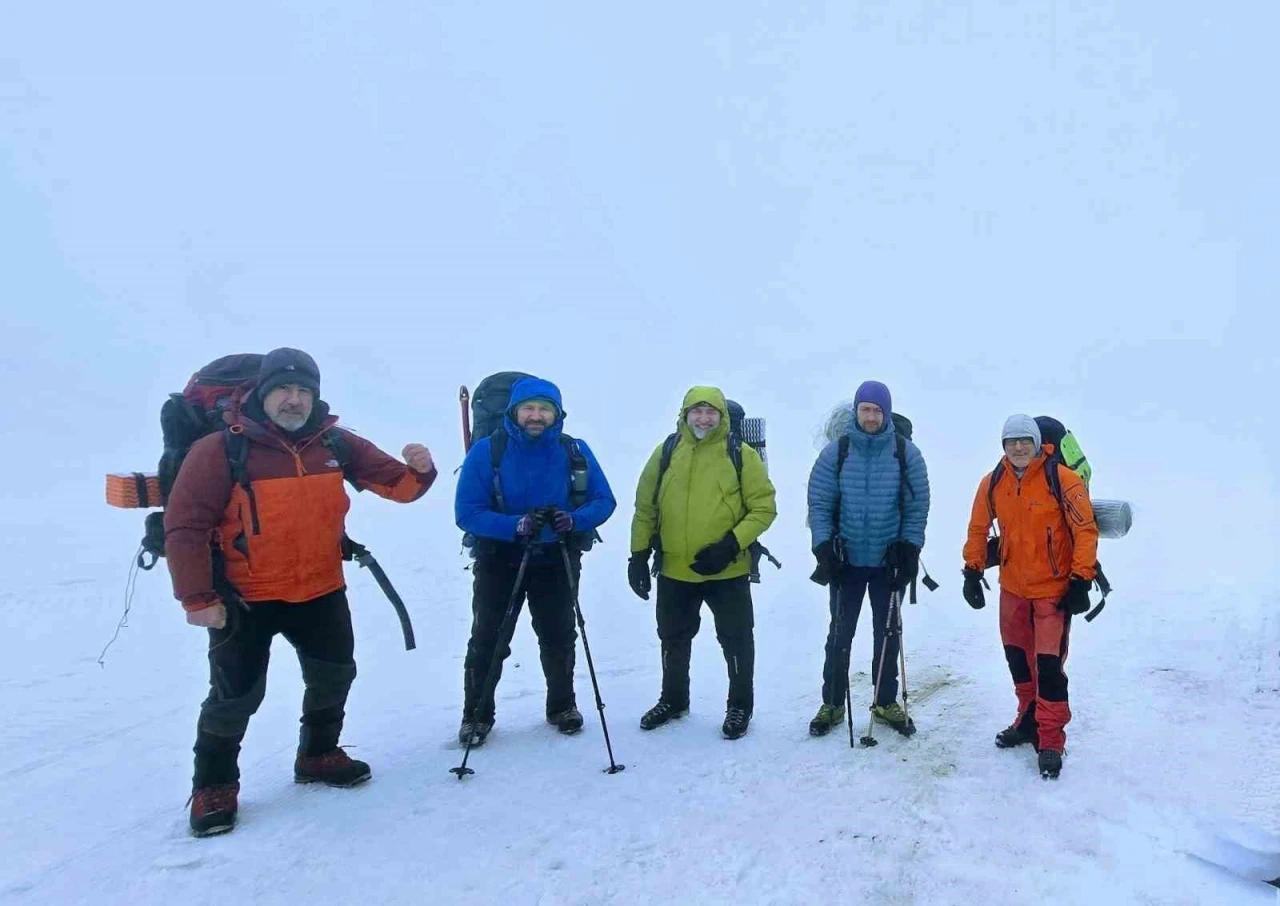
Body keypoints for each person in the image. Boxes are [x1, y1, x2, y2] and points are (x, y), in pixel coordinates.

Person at [164, 347, 438, 836]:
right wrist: (197, 598)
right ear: (260, 394)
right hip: (244, 598)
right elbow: (184, 525)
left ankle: (317, 754)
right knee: (234, 697)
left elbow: (399, 487)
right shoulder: (221, 450)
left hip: (320, 587)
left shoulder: (334, 442)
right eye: (283, 390)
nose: (293, 400)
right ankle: (213, 785)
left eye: (303, 391)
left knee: (334, 676)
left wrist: (419, 471)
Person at [454, 376, 616, 747]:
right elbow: (467, 512)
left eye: (545, 409)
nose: (536, 416)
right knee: (489, 638)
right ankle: (476, 715)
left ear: (557, 414)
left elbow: (603, 500)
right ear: (514, 411)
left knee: (559, 635)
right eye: (529, 408)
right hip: (500, 558)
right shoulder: (486, 451)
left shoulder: (574, 449)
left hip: (557, 556)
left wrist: (574, 520)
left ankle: (562, 706)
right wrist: (515, 526)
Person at [628, 387, 778, 739]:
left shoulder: (740, 455)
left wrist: (730, 545)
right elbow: (645, 507)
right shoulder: (666, 452)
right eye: (697, 411)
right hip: (674, 570)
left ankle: (739, 706)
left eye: (711, 412)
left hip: (728, 569)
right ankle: (673, 699)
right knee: (673, 637)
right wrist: (638, 555)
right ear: (684, 414)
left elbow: (764, 507)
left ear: (723, 416)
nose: (704, 418)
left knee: (736, 639)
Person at [961, 414, 1098, 779]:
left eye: (1025, 440)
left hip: (1053, 592)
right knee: (1018, 661)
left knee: (1049, 668)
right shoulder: (993, 483)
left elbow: (1085, 531)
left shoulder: (1063, 480)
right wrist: (972, 571)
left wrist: (1080, 580)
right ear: (1003, 446)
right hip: (1013, 591)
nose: (1018, 447)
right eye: (1011, 441)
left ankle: (1050, 739)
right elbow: (978, 527)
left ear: (1037, 443)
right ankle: (1028, 719)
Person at [806, 381, 930, 737]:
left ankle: (884, 699)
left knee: (888, 633)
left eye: (877, 410)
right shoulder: (837, 452)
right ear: (856, 411)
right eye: (865, 409)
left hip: (888, 562)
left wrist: (909, 548)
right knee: (839, 634)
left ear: (886, 413)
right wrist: (824, 547)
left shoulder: (907, 454)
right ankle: (831, 703)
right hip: (846, 562)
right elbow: (820, 503)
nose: (871, 416)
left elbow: (917, 505)